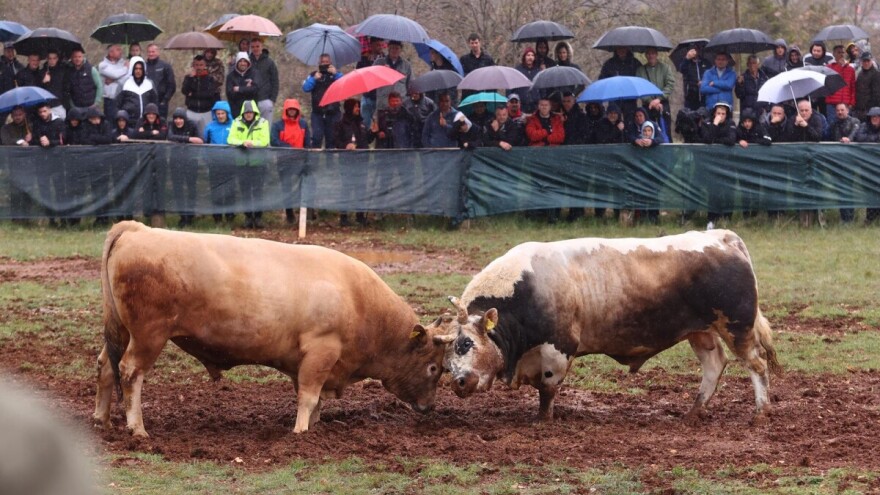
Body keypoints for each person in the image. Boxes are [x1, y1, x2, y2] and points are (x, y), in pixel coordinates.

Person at [227, 100, 270, 229]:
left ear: (255, 112)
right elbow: (230, 139)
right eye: (246, 112)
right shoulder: (236, 122)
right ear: (243, 113)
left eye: (251, 112)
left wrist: (252, 143)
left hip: (258, 162)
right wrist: (242, 143)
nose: (249, 114)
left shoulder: (263, 123)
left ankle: (258, 217)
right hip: (242, 162)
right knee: (245, 191)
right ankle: (248, 217)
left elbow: (265, 140)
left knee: (258, 191)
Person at [270, 98, 310, 224]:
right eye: (290, 109)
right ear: (286, 110)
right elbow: (274, 141)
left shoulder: (303, 124)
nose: (292, 112)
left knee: (304, 185)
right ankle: (289, 213)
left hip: (300, 159)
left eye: (294, 109)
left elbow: (307, 141)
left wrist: (307, 153)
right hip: (284, 160)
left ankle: (305, 212)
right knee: (286, 186)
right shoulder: (278, 125)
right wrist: (288, 148)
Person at [333, 98, 370, 227]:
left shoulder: (362, 123)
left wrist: (373, 133)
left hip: (362, 161)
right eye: (355, 106)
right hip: (347, 162)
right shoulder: (340, 124)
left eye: (358, 106)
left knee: (361, 189)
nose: (358, 109)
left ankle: (360, 216)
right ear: (349, 108)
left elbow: (366, 140)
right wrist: (345, 145)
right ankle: (344, 217)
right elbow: (336, 141)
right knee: (346, 189)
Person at [166, 107, 204, 228]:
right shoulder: (171, 125)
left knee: (191, 188)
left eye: (180, 118)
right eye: (176, 118)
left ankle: (190, 214)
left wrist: (184, 140)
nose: (178, 121)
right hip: (175, 162)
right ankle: (182, 216)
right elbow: (170, 137)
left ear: (185, 118)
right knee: (178, 190)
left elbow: (200, 140)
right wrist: (188, 139)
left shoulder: (192, 125)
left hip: (191, 161)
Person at [30, 102, 66, 226]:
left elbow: (63, 140)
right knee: (44, 191)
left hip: (57, 161)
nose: (42, 114)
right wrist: (38, 140)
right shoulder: (37, 123)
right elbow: (34, 139)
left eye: (44, 111)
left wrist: (50, 142)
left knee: (59, 190)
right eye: (40, 112)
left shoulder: (59, 122)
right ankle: (51, 219)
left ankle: (63, 218)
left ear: (49, 110)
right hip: (42, 162)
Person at [203, 100, 236, 225]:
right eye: (218, 113)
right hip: (214, 163)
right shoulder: (210, 126)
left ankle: (230, 216)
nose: (220, 116)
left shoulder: (234, 125)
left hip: (230, 163)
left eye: (223, 113)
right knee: (216, 190)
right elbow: (205, 143)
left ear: (227, 113)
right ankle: (217, 218)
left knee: (230, 190)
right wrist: (207, 159)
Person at [81, 107, 115, 225]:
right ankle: (98, 217)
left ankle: (105, 217)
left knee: (104, 191)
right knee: (95, 192)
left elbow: (108, 139)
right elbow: (84, 140)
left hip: (104, 163)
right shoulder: (86, 126)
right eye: (92, 119)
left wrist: (94, 139)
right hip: (92, 164)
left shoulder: (106, 125)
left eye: (96, 118)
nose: (95, 121)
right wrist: (98, 140)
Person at [828, 102, 860, 223]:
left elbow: (855, 132)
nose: (840, 112)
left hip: (850, 161)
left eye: (842, 110)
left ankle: (849, 217)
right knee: (838, 189)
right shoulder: (833, 124)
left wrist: (849, 139)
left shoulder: (854, 121)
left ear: (847, 110)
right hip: (836, 161)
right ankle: (843, 217)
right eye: (837, 110)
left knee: (848, 189)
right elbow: (828, 137)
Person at [302, 53, 342, 149]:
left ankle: (329, 163)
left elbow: (344, 84)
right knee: (316, 138)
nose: (324, 64)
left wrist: (335, 74)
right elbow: (305, 88)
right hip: (317, 113)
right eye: (322, 62)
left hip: (333, 112)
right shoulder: (313, 75)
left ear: (331, 63)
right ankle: (315, 162)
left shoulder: (336, 74)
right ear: (319, 63)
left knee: (332, 139)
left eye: (327, 62)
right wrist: (314, 79)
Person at [1, 106, 33, 223]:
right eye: (15, 115)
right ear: (12, 116)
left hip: (29, 164)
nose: (18, 117)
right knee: (15, 191)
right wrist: (20, 142)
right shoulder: (6, 128)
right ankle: (15, 218)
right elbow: (6, 141)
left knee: (27, 192)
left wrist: (31, 139)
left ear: (24, 114)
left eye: (20, 114)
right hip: (13, 164)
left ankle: (27, 218)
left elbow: (36, 142)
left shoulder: (29, 127)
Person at [636, 47, 675, 141]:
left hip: (663, 104)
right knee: (647, 130)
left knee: (665, 130)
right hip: (647, 106)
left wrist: (659, 99)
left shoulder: (665, 68)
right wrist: (651, 102)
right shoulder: (640, 70)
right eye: (648, 53)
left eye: (653, 53)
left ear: (657, 54)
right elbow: (640, 88)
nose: (651, 56)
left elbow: (670, 84)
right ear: (645, 55)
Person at [181, 54, 220, 137]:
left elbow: (209, 94)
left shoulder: (210, 79)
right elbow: (184, 90)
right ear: (193, 65)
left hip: (206, 111)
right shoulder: (189, 78)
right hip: (192, 110)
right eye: (196, 65)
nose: (199, 67)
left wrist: (193, 94)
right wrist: (192, 79)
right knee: (190, 135)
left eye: (201, 65)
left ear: (205, 65)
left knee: (206, 135)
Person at [852, 107, 880, 222]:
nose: (875, 119)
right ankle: (870, 218)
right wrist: (877, 138)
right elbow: (859, 137)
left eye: (877, 117)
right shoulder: (864, 126)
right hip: (867, 165)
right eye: (873, 117)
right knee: (870, 191)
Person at [600, 46, 642, 116]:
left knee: (630, 122)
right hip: (614, 99)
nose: (621, 51)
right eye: (619, 48)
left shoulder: (635, 63)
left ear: (628, 49)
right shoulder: (609, 64)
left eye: (623, 48)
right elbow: (602, 81)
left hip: (630, 99)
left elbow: (640, 81)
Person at [116, 56, 157, 125]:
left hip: (146, 122)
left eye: (140, 69)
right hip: (129, 122)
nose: (138, 71)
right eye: (136, 69)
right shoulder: (124, 84)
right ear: (132, 69)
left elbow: (155, 102)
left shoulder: (149, 84)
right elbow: (117, 104)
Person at [374, 40, 412, 113]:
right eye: (392, 48)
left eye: (397, 48)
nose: (394, 50)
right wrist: (382, 71)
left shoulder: (406, 65)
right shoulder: (379, 62)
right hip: (384, 104)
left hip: (400, 105)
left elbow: (410, 85)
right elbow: (372, 79)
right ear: (388, 49)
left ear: (401, 50)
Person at [248, 38, 279, 125]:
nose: (255, 49)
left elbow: (275, 81)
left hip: (265, 99)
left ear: (262, 46)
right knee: (251, 127)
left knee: (265, 127)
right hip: (250, 100)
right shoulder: (247, 62)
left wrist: (272, 99)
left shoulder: (269, 62)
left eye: (257, 46)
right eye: (253, 47)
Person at [357, 37, 385, 126]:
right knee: (365, 122)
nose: (380, 47)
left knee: (381, 123)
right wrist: (369, 64)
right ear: (371, 45)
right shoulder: (364, 58)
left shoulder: (385, 59)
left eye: (381, 45)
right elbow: (358, 75)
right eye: (377, 45)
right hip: (368, 94)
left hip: (381, 95)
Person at [145, 43, 176, 121]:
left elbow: (171, 85)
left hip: (161, 102)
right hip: (147, 101)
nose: (151, 54)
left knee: (161, 123)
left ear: (158, 52)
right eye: (149, 52)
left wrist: (165, 100)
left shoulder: (165, 66)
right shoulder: (143, 66)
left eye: (153, 51)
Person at [225, 52, 261, 119]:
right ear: (237, 63)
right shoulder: (231, 76)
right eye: (240, 61)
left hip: (251, 109)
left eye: (245, 61)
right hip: (236, 110)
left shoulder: (254, 73)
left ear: (248, 62)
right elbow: (230, 94)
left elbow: (255, 89)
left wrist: (239, 89)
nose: (242, 63)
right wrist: (247, 89)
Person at [98, 44, 128, 121]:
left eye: (120, 49)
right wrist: (125, 68)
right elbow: (115, 75)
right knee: (110, 124)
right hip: (110, 101)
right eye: (118, 50)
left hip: (123, 99)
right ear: (110, 53)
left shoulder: (123, 63)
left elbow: (127, 78)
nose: (121, 52)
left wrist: (114, 80)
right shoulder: (103, 65)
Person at [679, 43, 711, 110]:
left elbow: (710, 76)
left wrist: (704, 82)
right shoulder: (686, 62)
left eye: (696, 49)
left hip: (703, 95)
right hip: (690, 95)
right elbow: (682, 70)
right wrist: (687, 58)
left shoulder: (705, 62)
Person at [826, 45, 856, 118]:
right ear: (834, 54)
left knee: (846, 126)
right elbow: (826, 85)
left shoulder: (850, 69)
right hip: (832, 103)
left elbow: (853, 87)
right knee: (832, 126)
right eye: (839, 52)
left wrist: (852, 102)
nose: (841, 54)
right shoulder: (828, 68)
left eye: (843, 52)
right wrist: (839, 66)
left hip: (846, 103)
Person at [39, 50, 67, 120]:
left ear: (57, 59)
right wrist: (43, 82)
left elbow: (66, 87)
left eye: (54, 58)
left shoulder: (62, 71)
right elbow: (39, 89)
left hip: (60, 105)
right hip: (47, 106)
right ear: (47, 59)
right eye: (50, 58)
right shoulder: (42, 72)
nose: (52, 61)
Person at [513, 47, 541, 113]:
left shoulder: (538, 71)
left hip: (535, 105)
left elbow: (542, 89)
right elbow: (512, 88)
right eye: (528, 55)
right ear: (524, 57)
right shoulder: (518, 70)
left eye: (532, 55)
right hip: (521, 105)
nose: (530, 57)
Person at [855, 51, 880, 121]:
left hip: (870, 110)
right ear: (861, 62)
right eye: (864, 61)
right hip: (859, 109)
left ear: (871, 61)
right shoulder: (859, 74)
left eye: (868, 61)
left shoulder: (876, 74)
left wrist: (870, 109)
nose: (866, 63)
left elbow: (877, 94)